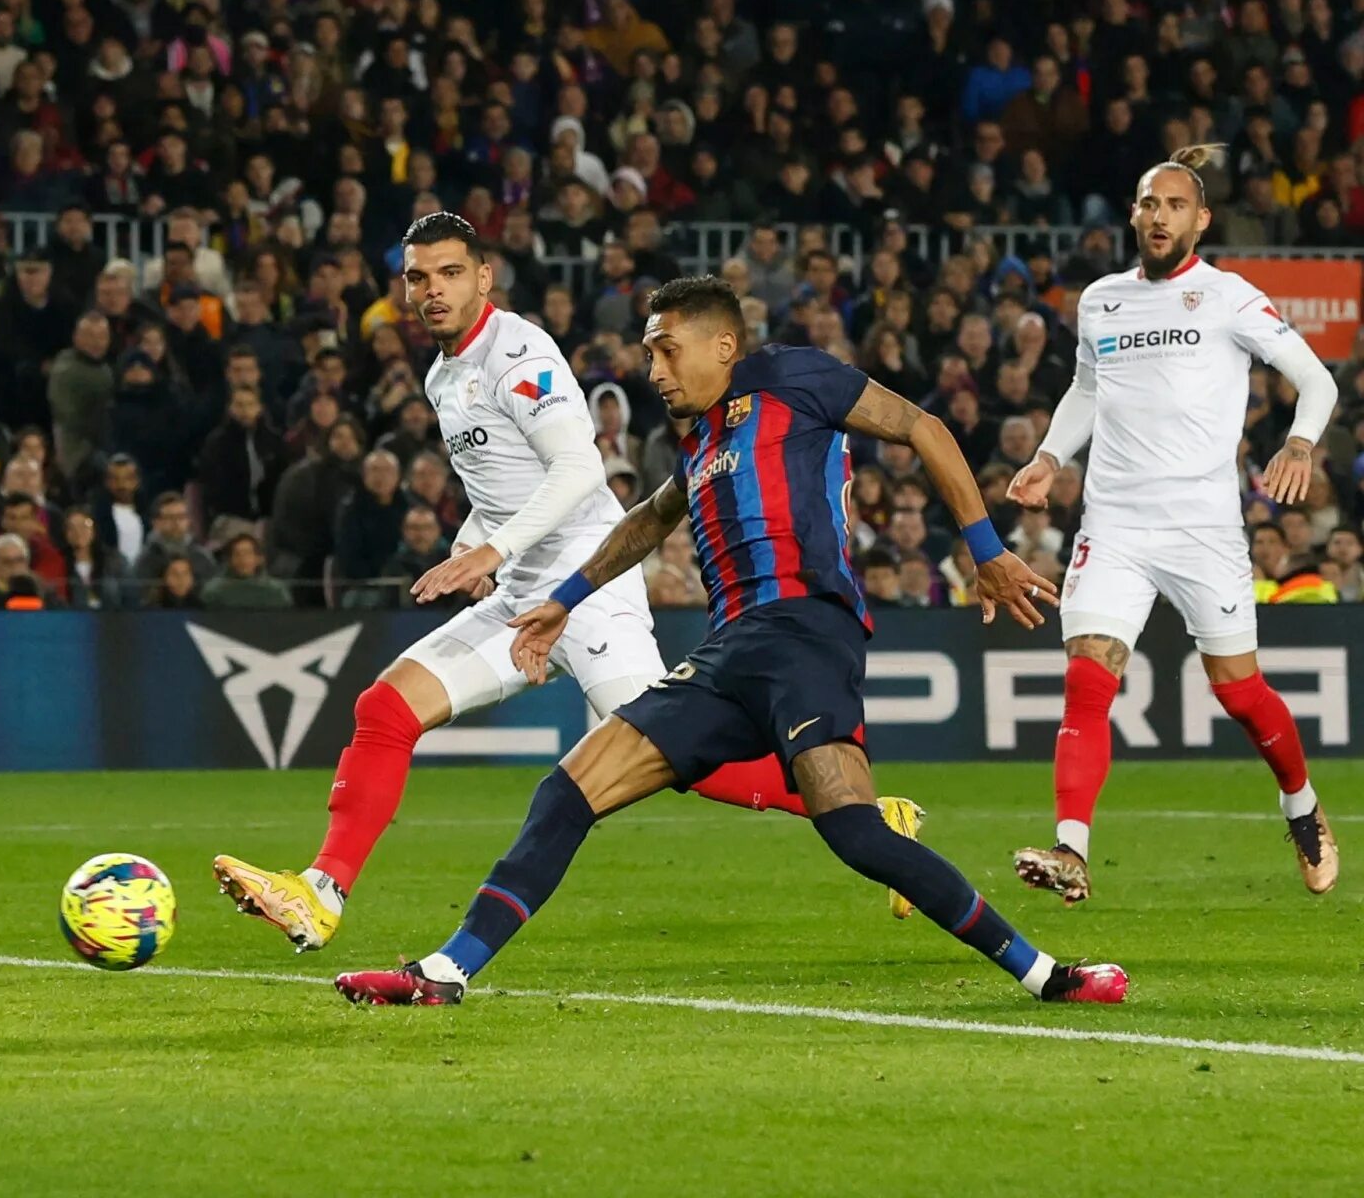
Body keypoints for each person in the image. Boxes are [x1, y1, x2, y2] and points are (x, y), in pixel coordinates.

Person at [333, 276, 1126, 1008]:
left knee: (853, 832)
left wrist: (984, 549)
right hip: (727, 656)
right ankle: (445, 972)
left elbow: (922, 426)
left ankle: (1048, 975)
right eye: (648, 352)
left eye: (665, 349)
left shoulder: (795, 377)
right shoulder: (701, 439)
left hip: (807, 634)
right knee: (566, 791)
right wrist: (560, 602)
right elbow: (647, 518)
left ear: (722, 345)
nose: (653, 369)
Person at [214, 214, 913, 954]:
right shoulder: (442, 373)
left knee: (680, 760)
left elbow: (579, 470)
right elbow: (497, 490)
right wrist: (473, 543)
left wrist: (496, 552)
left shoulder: (518, 351)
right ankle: (319, 894)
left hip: (589, 581)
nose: (433, 290)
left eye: (451, 273)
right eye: (419, 277)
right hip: (519, 590)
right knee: (385, 708)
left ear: (484, 277)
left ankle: (873, 817)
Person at [1007, 146, 1342, 902]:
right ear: (1133, 214)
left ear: (1201, 220)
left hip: (1203, 527)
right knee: (1088, 680)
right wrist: (1052, 457)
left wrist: (1298, 441)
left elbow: (1315, 381)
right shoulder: (1102, 300)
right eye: (1148, 204)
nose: (1159, 217)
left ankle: (1300, 804)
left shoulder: (1229, 297)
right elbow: (1087, 390)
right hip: (1115, 523)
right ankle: (1071, 849)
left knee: (1238, 690)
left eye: (1175, 206)